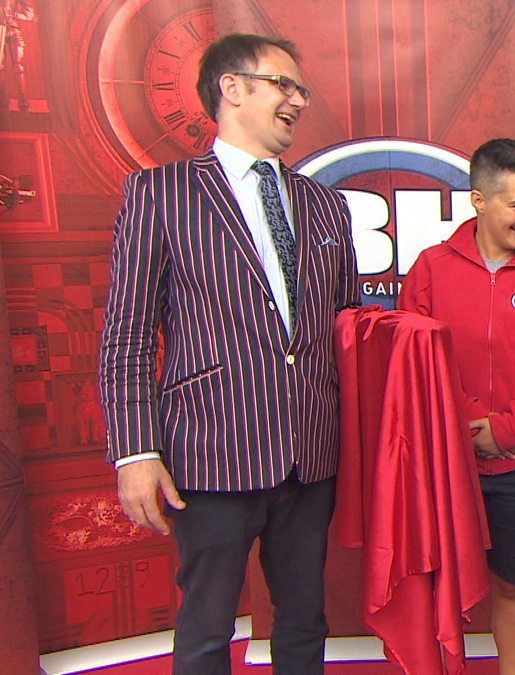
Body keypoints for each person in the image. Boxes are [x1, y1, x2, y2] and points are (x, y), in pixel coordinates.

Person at [98, 34, 358, 674]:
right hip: (210, 453)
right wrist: (135, 452)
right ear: (231, 87)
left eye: (302, 90)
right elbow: (128, 333)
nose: (298, 101)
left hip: (309, 454)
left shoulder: (326, 205)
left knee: (305, 621)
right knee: (207, 630)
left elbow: (348, 325)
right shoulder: (160, 193)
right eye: (283, 85)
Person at [398, 138, 515, 675]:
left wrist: (504, 430)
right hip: (446, 462)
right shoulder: (431, 269)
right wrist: (465, 427)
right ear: (479, 200)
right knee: (439, 586)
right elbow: (416, 360)